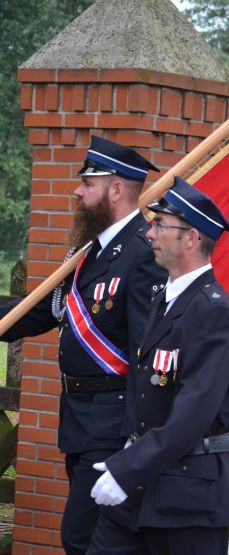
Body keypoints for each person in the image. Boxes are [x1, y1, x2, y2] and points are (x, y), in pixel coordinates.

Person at [0, 136, 165, 554]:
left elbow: (148, 353)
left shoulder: (142, 253)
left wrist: (136, 436)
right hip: (79, 419)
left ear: (115, 190)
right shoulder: (92, 251)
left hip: (113, 426)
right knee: (98, 538)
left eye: (87, 183)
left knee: (84, 536)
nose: (76, 191)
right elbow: (44, 310)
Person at [86, 176, 229, 554]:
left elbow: (193, 413)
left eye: (160, 225)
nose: (149, 233)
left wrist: (127, 468)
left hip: (187, 494)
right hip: (146, 480)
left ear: (191, 238)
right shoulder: (168, 297)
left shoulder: (212, 310)